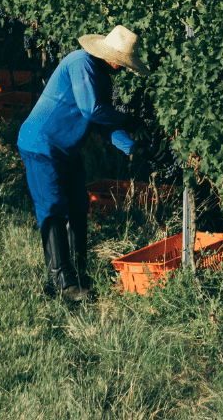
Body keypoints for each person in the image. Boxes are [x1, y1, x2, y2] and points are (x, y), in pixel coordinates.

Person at [16, 25, 145, 303]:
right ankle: (63, 282)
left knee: (77, 205)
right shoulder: (80, 63)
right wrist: (128, 119)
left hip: (65, 149)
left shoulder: (101, 75)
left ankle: (80, 274)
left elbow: (101, 122)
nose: (122, 69)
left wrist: (132, 148)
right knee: (53, 208)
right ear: (110, 57)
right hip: (41, 144)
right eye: (121, 63)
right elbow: (92, 110)